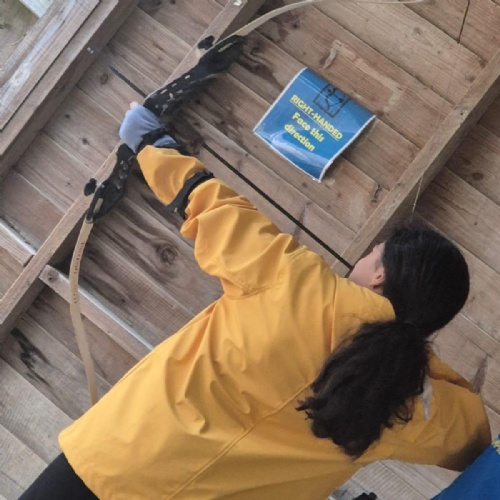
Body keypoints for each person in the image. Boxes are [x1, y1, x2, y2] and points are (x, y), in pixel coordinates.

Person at [21, 104, 491, 500]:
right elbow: (476, 435)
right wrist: (419, 359)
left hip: (115, 463)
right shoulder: (413, 403)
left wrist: (150, 141)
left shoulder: (292, 280)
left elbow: (212, 206)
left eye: (373, 254)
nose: (362, 260)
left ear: (381, 274)